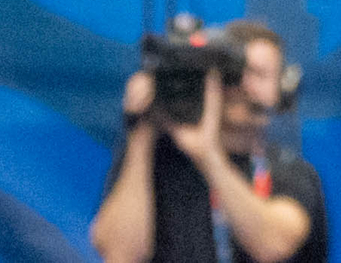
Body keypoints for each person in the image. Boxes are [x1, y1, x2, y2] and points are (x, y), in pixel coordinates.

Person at [87, 21, 325, 263]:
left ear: (284, 90)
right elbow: (119, 254)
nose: (244, 86)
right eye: (233, 74)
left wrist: (208, 155)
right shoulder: (156, 160)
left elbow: (273, 244)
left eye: (259, 74)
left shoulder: (291, 172)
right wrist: (141, 135)